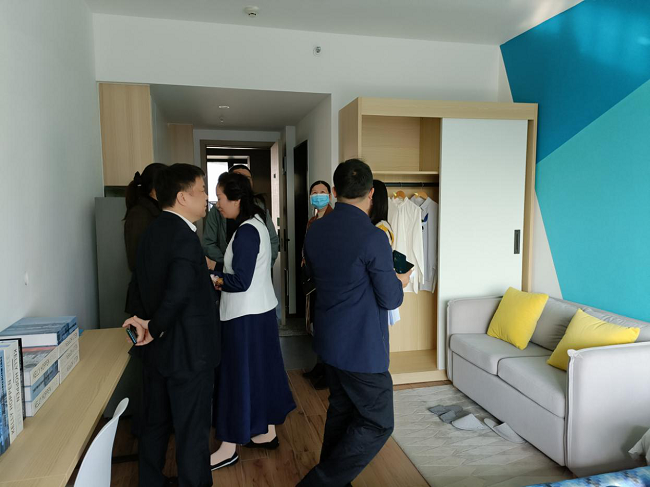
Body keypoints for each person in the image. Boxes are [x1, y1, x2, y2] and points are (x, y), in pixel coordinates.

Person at [300, 159, 411, 487]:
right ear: (371, 193)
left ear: (334, 192)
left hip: (328, 340)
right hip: (361, 347)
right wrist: (400, 281)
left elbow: (315, 275)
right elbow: (390, 298)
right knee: (379, 422)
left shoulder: (316, 230)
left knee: (341, 410)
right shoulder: (373, 237)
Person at [122, 163, 220, 487]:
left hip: (158, 355)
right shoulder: (184, 236)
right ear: (182, 197)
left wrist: (143, 324)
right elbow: (178, 293)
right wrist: (154, 328)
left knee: (156, 425)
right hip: (188, 355)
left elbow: (137, 286)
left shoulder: (151, 231)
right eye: (202, 190)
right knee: (192, 433)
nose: (206, 197)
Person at [209, 172, 296, 470]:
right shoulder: (257, 223)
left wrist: (212, 277)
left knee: (236, 379)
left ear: (236, 199)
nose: (217, 204)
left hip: (243, 318)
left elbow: (240, 281)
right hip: (259, 313)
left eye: (220, 198)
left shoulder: (246, 231)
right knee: (259, 374)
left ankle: (228, 447)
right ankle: (265, 432)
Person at [203, 164, 279, 271]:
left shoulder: (249, 227)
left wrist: (264, 266)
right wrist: (225, 265)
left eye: (247, 178)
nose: (217, 204)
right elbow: (208, 243)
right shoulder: (218, 212)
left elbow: (241, 279)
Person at [301, 180, 333, 389]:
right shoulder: (312, 220)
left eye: (322, 192)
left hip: (326, 279)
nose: (318, 195)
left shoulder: (333, 219)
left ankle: (329, 371)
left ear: (330, 195)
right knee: (316, 322)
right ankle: (320, 365)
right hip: (313, 277)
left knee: (326, 324)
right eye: (314, 192)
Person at [124, 163, 166, 313]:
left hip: (155, 293)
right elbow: (135, 261)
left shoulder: (157, 211)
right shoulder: (140, 214)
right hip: (146, 296)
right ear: (155, 188)